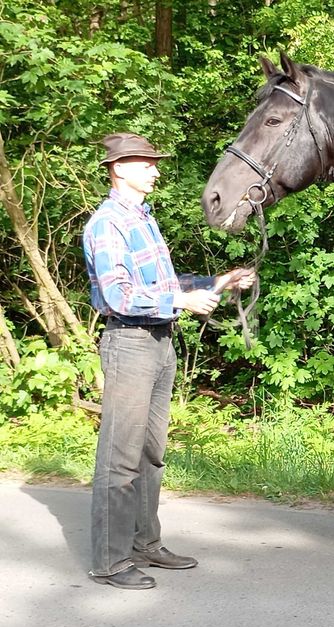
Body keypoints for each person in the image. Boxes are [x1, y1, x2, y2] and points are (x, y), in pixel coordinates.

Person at [83, 132, 255, 590]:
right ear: (119, 169)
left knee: (151, 454)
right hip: (130, 345)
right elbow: (119, 295)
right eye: (146, 165)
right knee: (120, 457)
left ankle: (144, 543)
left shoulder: (143, 219)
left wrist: (219, 282)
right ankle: (110, 560)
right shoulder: (107, 224)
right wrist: (181, 301)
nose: (155, 171)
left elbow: (163, 282)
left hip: (159, 344)